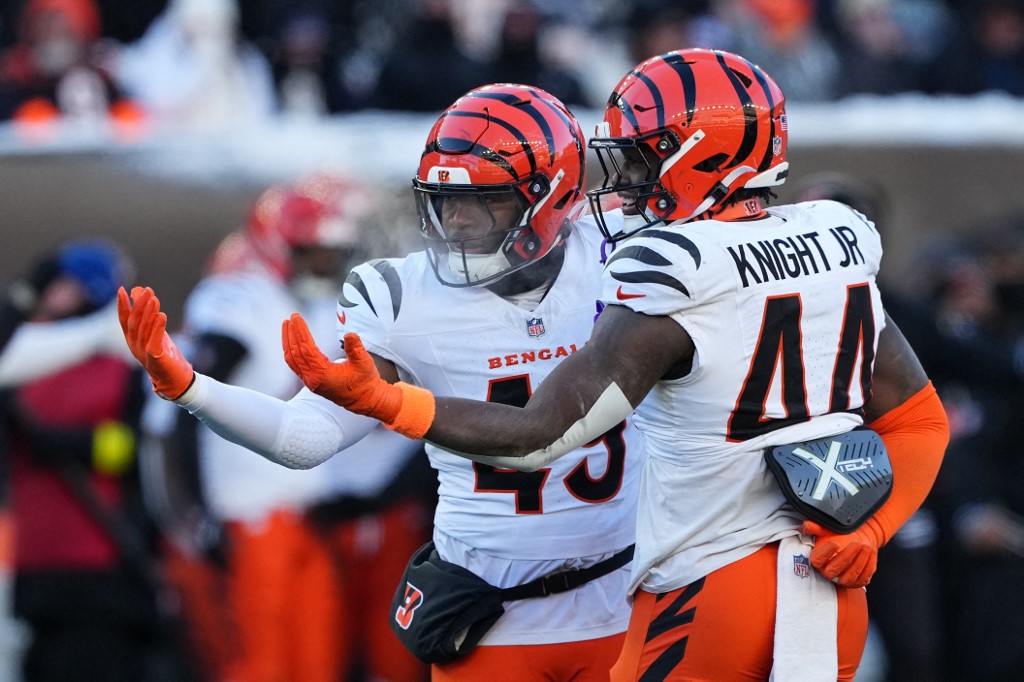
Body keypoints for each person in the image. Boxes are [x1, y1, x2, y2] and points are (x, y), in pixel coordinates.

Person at [278, 49, 950, 681]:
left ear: (702, 155)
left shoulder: (676, 270)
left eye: (638, 160)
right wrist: (873, 529)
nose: (624, 186)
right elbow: (921, 422)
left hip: (711, 585)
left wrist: (387, 401)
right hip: (830, 592)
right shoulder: (831, 242)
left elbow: (539, 434)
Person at [118, 82, 645, 680]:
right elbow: (303, 437)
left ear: (552, 195)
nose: (457, 222)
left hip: (624, 594)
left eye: (483, 200)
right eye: (445, 201)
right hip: (492, 612)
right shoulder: (401, 296)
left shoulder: (625, 256)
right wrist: (193, 389)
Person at [2, 239, 190, 682]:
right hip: (38, 563)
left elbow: (140, 446)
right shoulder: (26, 355)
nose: (50, 295)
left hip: (104, 559)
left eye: (59, 284)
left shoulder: (126, 362)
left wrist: (75, 444)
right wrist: (23, 295)